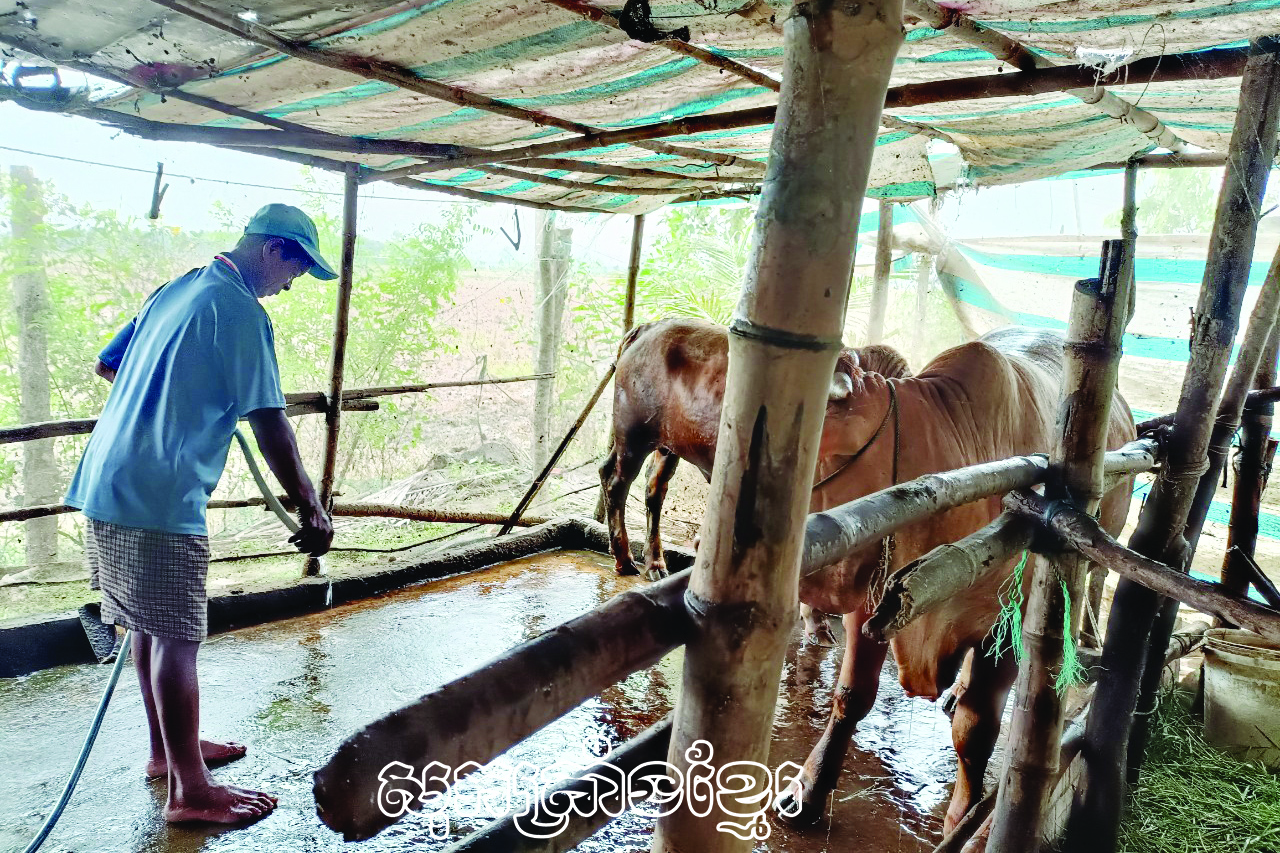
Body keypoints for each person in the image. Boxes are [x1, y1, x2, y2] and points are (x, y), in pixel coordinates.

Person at [65, 203, 337, 825]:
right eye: (296, 268)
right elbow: (270, 420)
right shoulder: (240, 309)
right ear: (273, 249)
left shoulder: (178, 288)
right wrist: (312, 506)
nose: (292, 283)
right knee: (179, 637)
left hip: (111, 478)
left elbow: (110, 364)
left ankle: (169, 754)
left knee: (147, 627)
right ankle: (191, 791)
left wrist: (173, 396)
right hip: (158, 492)